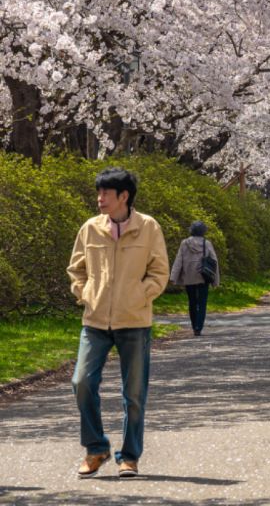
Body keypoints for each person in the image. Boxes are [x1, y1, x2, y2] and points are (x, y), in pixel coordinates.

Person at [67, 168, 170, 479]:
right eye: (99, 193)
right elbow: (76, 269)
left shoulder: (149, 228)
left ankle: (129, 456)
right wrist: (85, 293)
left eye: (106, 194)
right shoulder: (90, 228)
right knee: (81, 382)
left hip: (134, 321)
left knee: (134, 393)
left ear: (124, 196)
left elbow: (159, 273)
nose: (100, 199)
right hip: (95, 320)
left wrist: (140, 295)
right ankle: (96, 447)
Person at [169, 221, 220, 336]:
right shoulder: (206, 243)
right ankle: (198, 327)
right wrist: (215, 281)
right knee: (202, 302)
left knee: (192, 302)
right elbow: (214, 261)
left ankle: (194, 326)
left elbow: (178, 261)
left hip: (189, 276)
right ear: (203, 231)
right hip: (203, 276)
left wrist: (173, 277)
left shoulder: (184, 243)